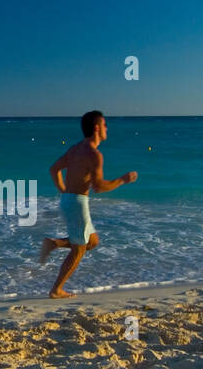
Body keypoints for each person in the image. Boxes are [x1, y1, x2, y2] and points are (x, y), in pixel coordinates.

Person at [40, 110, 137, 298]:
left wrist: (64, 190)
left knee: (92, 242)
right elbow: (99, 187)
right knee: (79, 250)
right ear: (97, 127)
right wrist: (123, 180)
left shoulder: (75, 149)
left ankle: (53, 243)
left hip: (70, 201)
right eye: (105, 124)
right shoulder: (94, 154)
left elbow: (54, 169)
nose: (107, 128)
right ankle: (56, 290)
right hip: (77, 204)